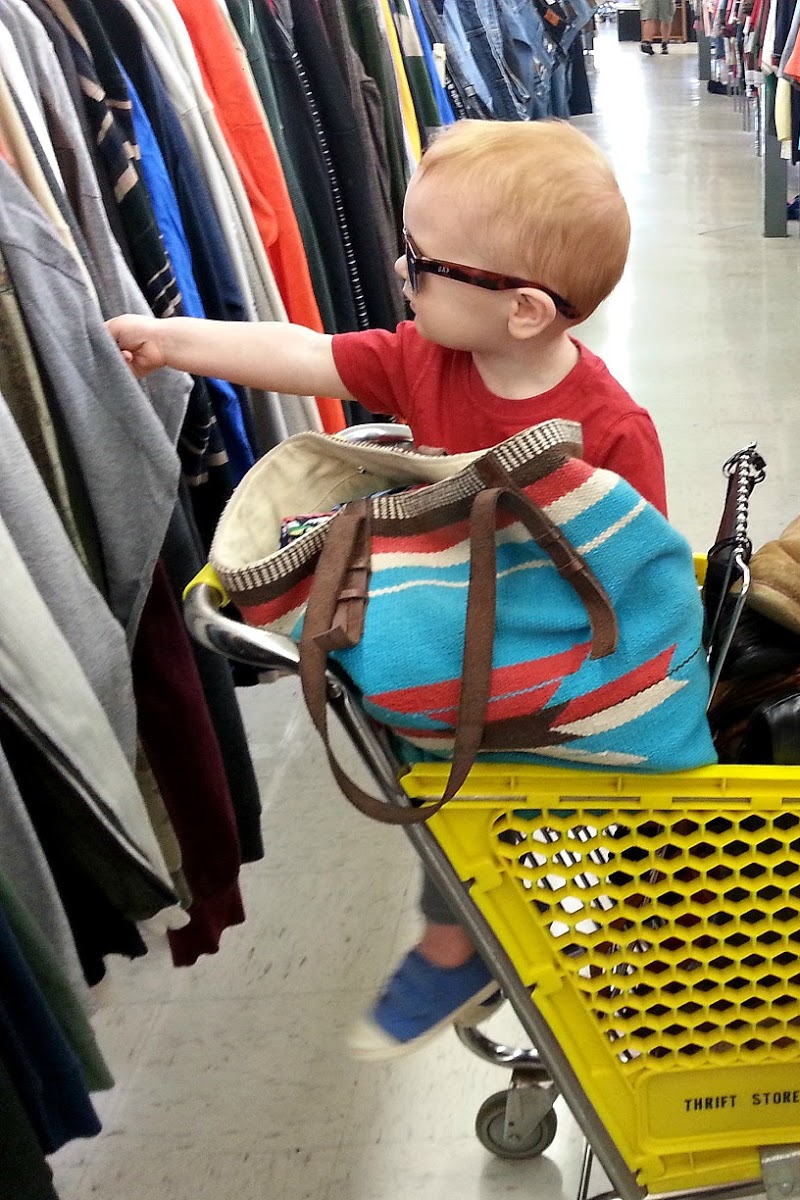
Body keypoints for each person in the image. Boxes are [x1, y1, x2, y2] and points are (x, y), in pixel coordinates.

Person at [106, 119, 668, 1060]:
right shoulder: (425, 359)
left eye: (423, 261)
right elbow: (303, 353)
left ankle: (461, 947)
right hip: (445, 637)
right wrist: (170, 340)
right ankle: (488, 924)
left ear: (524, 310)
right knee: (446, 783)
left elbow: (640, 582)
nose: (401, 270)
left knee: (479, 788)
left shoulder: (609, 431)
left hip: (551, 666)